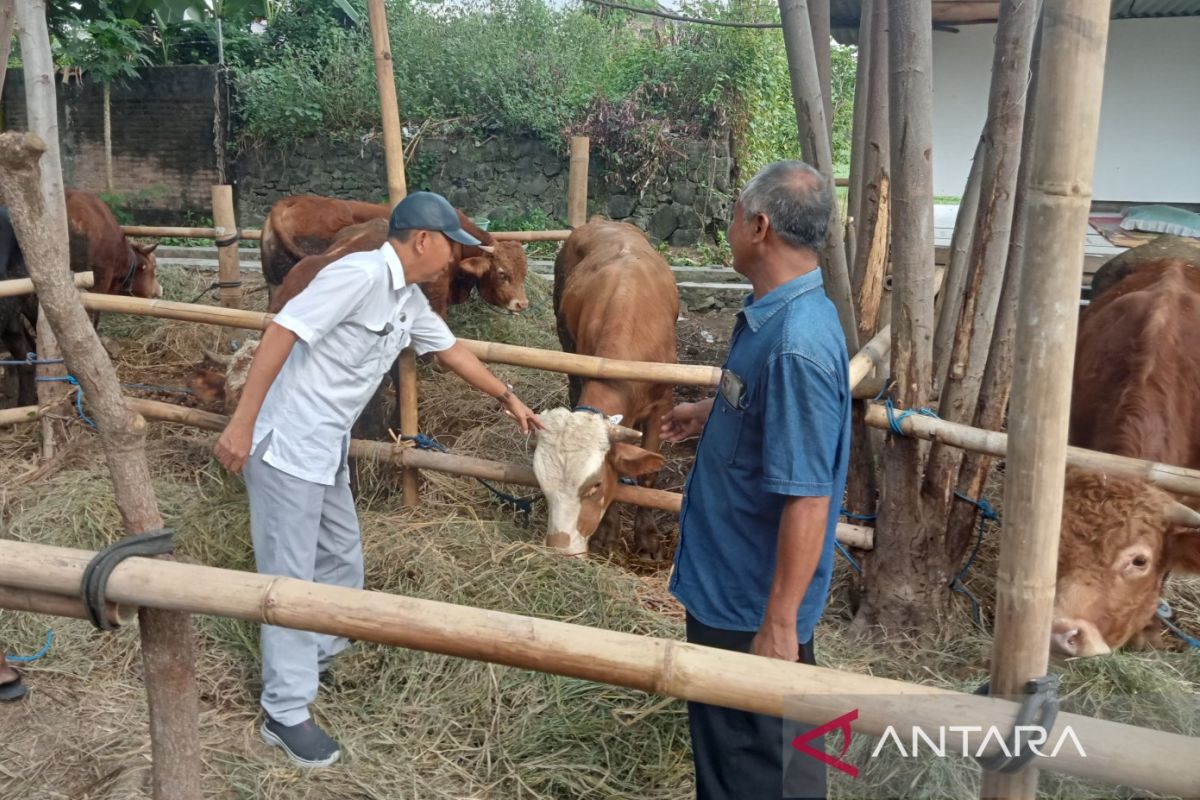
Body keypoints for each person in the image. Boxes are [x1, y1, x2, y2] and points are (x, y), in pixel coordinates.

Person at [214, 191, 543, 768]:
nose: (454, 262)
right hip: (287, 444)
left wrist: (508, 397)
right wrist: (241, 426)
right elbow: (280, 336)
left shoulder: (407, 299)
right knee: (289, 577)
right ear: (422, 240)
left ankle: (309, 655)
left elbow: (450, 351)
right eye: (450, 248)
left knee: (342, 560)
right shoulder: (358, 276)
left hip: (325, 449)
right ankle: (284, 711)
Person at [661, 161, 851, 800]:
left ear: (760, 226)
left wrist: (778, 624)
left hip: (748, 600)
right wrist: (708, 413)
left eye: (738, 216)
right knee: (778, 755)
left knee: (746, 768)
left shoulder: (794, 346)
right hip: (736, 583)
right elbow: (768, 419)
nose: (731, 228)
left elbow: (808, 495)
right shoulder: (779, 315)